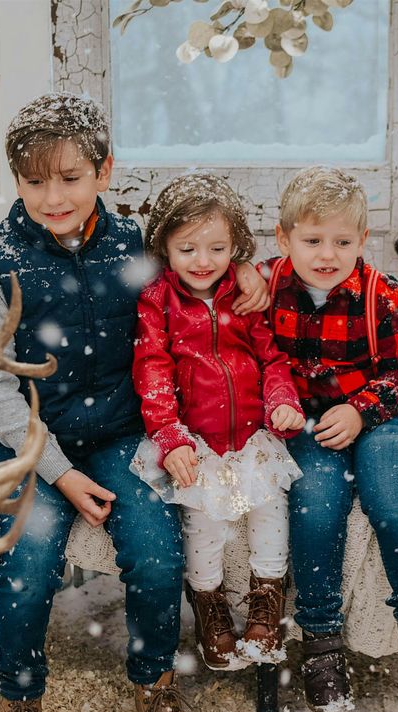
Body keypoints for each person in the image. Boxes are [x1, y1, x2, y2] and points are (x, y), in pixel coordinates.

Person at [0, 93, 268, 712]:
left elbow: (204, 267)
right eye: (35, 180)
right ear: (15, 182)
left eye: (70, 177)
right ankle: (19, 703)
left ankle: (155, 684)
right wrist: (60, 472)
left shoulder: (135, 243)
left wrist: (247, 268)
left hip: (124, 431)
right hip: (34, 441)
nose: (54, 196)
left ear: (105, 172)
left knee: (159, 555)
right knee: (29, 557)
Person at [262, 166, 398, 712]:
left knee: (389, 497)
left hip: (383, 414)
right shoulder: (265, 285)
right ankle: (321, 643)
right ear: (284, 239)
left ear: (362, 241)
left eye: (342, 241)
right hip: (309, 423)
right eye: (313, 240)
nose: (328, 254)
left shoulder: (382, 295)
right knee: (317, 507)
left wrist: (360, 409)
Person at [131, 173, 306, 673]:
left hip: (254, 437)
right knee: (202, 526)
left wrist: (282, 402)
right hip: (196, 445)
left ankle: (266, 607)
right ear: (165, 246)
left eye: (217, 248)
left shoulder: (244, 297)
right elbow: (153, 372)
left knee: (270, 513)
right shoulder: (157, 301)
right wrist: (169, 437)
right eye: (187, 248)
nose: (203, 261)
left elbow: (272, 360)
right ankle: (211, 611)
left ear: (236, 247)